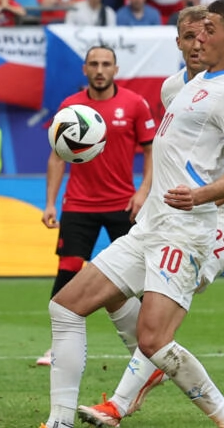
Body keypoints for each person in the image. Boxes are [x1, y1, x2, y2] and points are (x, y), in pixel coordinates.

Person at [42, 0, 224, 428]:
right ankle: (59, 422)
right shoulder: (197, 83)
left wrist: (200, 196)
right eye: (195, 31)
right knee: (66, 306)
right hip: (151, 225)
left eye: (210, 29)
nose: (201, 35)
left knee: (154, 341)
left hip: (184, 231)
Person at [35, 45, 155, 367]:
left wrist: (144, 189)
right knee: (68, 270)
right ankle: (58, 346)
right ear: (84, 69)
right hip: (79, 204)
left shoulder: (134, 104)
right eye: (93, 64)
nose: (100, 69)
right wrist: (49, 202)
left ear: (116, 69)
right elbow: (56, 156)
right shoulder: (70, 107)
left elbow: (151, 150)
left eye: (106, 64)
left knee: (140, 276)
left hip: (124, 203)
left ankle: (152, 342)